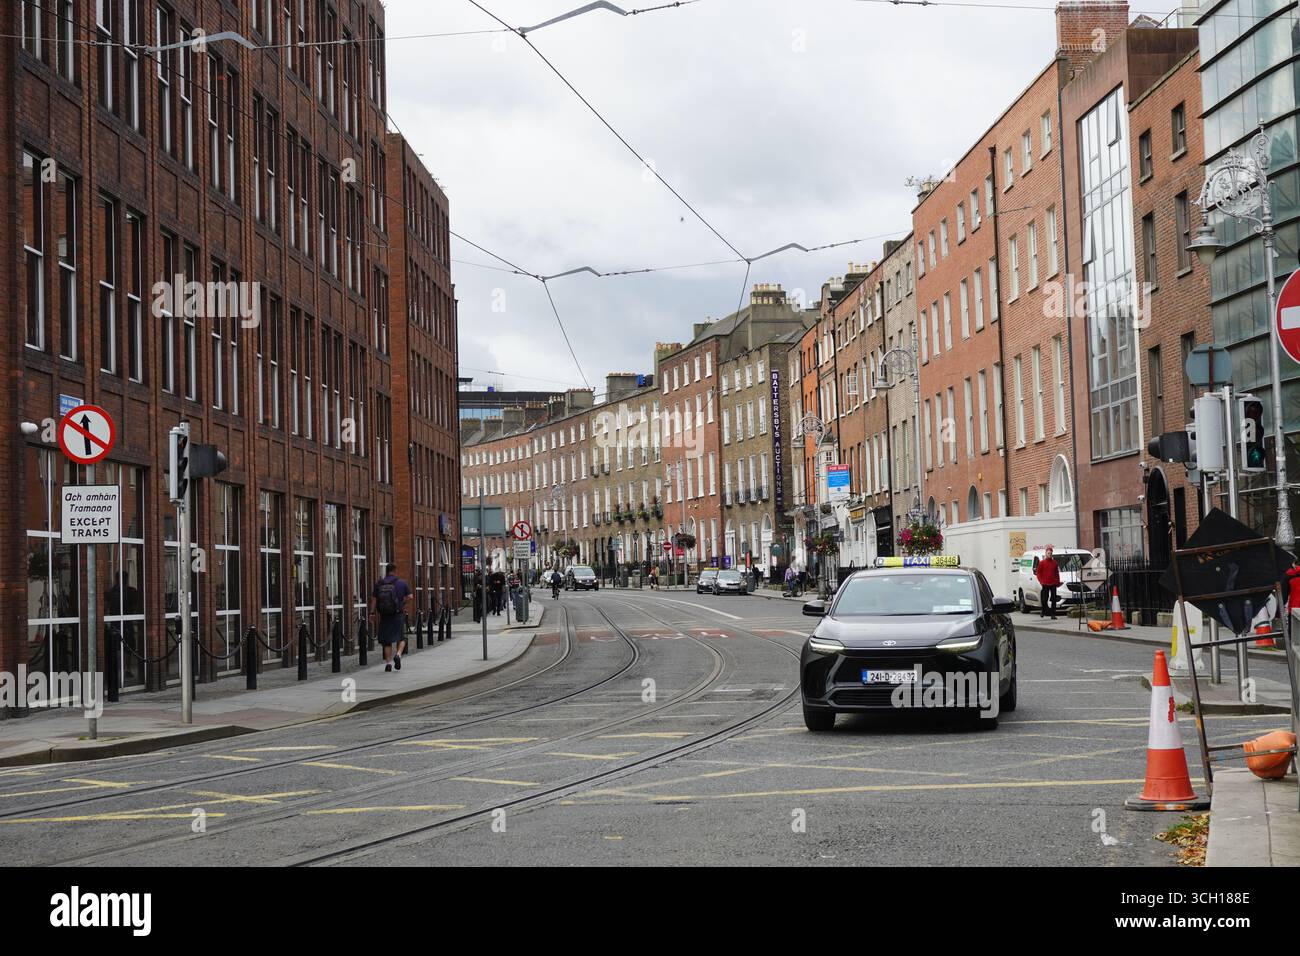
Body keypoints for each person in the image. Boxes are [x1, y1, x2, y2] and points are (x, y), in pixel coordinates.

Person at [373, 563, 412, 672]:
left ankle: (388, 664)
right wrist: (403, 602)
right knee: (401, 638)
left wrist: (372, 613)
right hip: (398, 614)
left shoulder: (379, 584)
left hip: (385, 615)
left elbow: (374, 600)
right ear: (395, 571)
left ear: (386, 571)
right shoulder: (401, 583)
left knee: (387, 641)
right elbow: (410, 597)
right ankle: (398, 655)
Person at [1036, 545, 1061, 620]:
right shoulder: (1042, 563)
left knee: (1053, 599)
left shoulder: (1054, 563)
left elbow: (1057, 573)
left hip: (1053, 583)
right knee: (1044, 599)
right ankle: (1043, 610)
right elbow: (1038, 573)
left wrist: (1058, 582)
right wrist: (1041, 581)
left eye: (1050, 553)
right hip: (1045, 583)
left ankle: (1053, 614)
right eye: (1048, 553)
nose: (1049, 554)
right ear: (1046, 553)